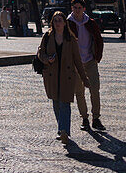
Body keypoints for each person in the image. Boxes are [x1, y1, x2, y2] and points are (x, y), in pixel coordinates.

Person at [38, 10, 90, 145]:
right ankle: (61, 130)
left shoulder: (70, 38)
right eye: (55, 21)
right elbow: (40, 53)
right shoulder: (48, 36)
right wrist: (46, 59)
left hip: (67, 76)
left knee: (64, 103)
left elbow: (77, 60)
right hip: (52, 75)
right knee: (56, 103)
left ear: (64, 23)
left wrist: (84, 78)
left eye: (60, 20)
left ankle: (64, 131)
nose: (57, 23)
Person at [67, 0, 105, 131]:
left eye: (80, 8)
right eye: (75, 8)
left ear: (84, 9)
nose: (77, 11)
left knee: (95, 89)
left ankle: (96, 118)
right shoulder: (68, 23)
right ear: (72, 9)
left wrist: (97, 56)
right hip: (76, 64)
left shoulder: (90, 22)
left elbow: (99, 40)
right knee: (79, 92)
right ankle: (84, 118)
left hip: (90, 61)